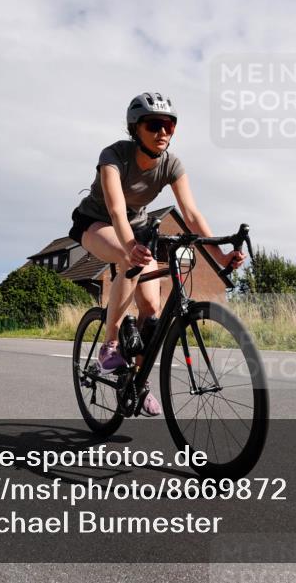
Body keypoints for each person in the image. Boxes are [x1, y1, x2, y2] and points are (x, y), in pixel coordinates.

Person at [68, 92, 246, 417]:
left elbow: (190, 213)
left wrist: (220, 258)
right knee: (127, 260)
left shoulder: (171, 164)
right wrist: (129, 246)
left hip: (135, 226)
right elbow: (117, 211)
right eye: (154, 125)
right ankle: (109, 345)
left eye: (170, 125)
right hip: (96, 222)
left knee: (152, 309)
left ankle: (138, 383)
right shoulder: (114, 156)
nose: (163, 132)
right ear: (136, 128)